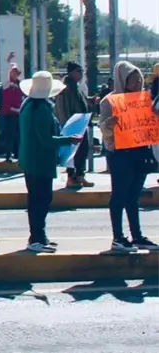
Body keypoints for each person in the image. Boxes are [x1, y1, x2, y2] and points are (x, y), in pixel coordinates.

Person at [98, 61, 159, 253]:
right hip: (120, 153)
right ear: (123, 80)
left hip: (139, 151)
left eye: (139, 80)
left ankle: (137, 235)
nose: (137, 83)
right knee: (119, 195)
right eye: (133, 80)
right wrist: (110, 123)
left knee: (133, 196)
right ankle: (118, 237)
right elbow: (104, 130)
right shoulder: (109, 101)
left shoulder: (144, 100)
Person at [18, 71, 81, 253]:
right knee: (41, 200)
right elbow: (46, 140)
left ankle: (39, 236)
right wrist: (68, 139)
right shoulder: (42, 110)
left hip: (30, 160)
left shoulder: (28, 105)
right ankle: (37, 238)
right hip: (40, 161)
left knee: (36, 199)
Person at [54, 61, 96, 188]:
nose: (81, 74)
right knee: (72, 153)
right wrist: (67, 125)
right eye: (79, 72)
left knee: (83, 149)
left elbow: (81, 101)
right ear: (72, 73)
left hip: (80, 123)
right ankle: (71, 177)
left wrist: (90, 100)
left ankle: (80, 175)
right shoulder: (65, 88)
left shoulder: (76, 86)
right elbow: (62, 108)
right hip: (72, 125)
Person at [0, 64, 24, 163]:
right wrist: (9, 61)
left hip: (18, 113)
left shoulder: (19, 84)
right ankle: (8, 155)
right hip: (9, 113)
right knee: (9, 135)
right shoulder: (6, 83)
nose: (15, 74)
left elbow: (22, 97)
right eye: (14, 72)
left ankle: (18, 154)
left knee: (18, 134)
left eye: (17, 72)